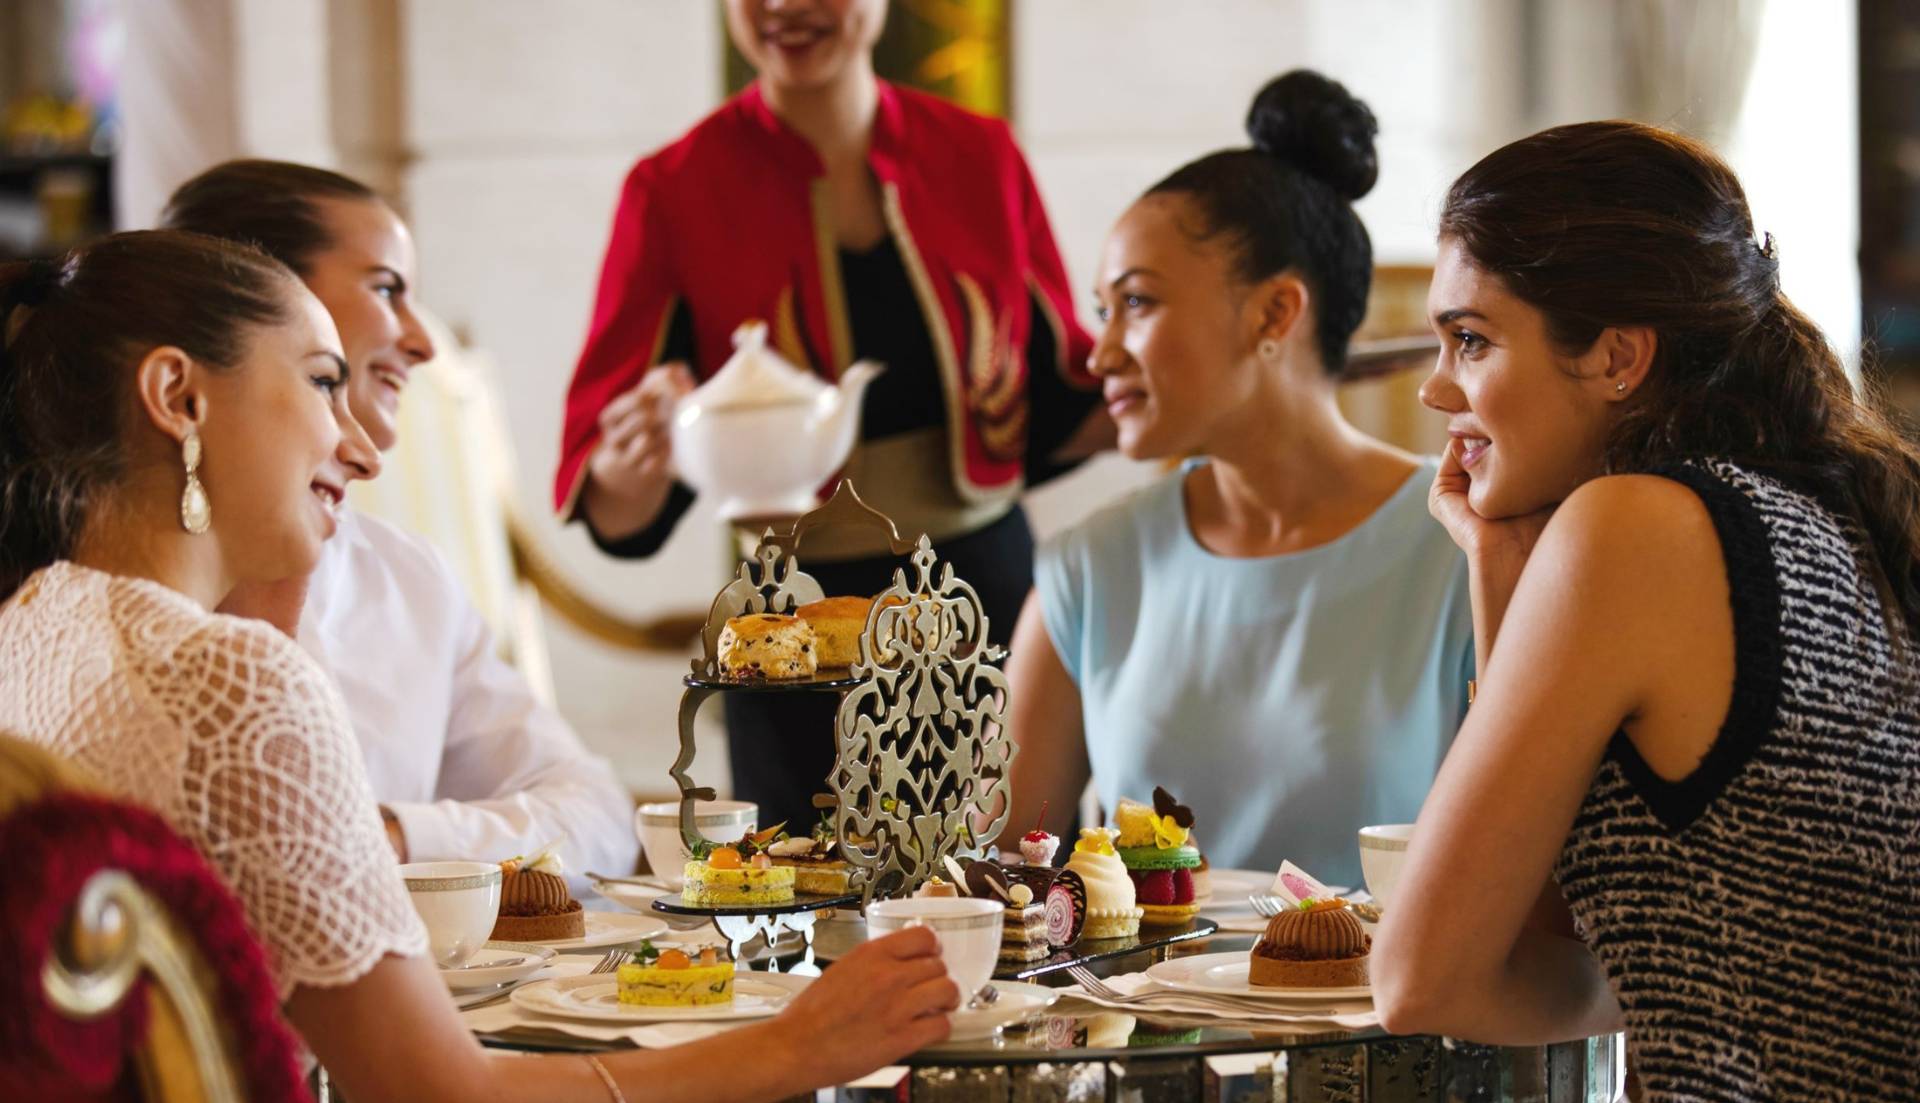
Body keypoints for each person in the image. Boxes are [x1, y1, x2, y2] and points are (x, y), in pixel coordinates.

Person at [0, 231, 961, 1103]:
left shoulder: (32, 631)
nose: (361, 446)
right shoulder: (231, 683)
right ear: (179, 397)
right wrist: (801, 1041)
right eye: (321, 382)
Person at [1066, 120, 1920, 1103]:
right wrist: (1497, 567)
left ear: (1618, 357)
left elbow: (1427, 978)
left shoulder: (1636, 526)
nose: (1434, 388)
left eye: (1471, 339)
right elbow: (1556, 958)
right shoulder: (1817, 517)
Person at [559, 0, 1109, 837]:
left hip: (983, 602)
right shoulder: (673, 188)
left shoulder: (981, 154)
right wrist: (629, 458)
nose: (786, 6)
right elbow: (616, 507)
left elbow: (1062, 395)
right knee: (803, 892)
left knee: (1018, 882)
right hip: (792, 624)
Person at [1008, 68, 1471, 889]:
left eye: (1137, 304)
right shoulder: (1088, 570)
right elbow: (1003, 876)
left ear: (1274, 313)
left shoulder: (1462, 548)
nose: (1100, 353)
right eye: (1103, 310)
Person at [159, 160, 638, 890]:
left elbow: (599, 817)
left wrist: (396, 837)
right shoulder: (120, 596)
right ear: (255, 300)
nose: (424, 342)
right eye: (386, 289)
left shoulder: (409, 577)